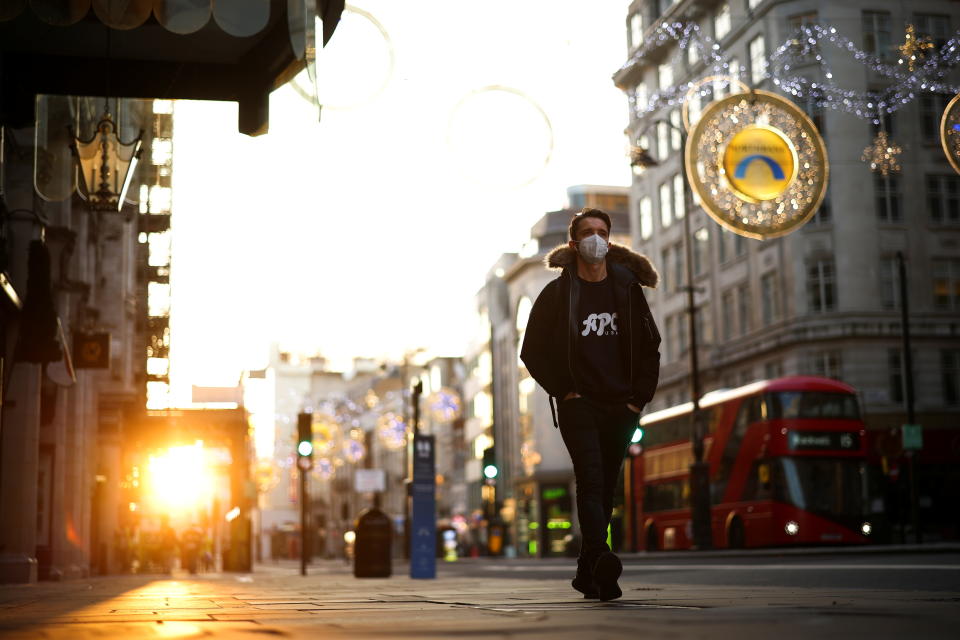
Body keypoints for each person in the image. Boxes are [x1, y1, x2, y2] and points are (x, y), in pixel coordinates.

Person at [520, 207, 660, 601]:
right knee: (592, 479)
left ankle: (589, 573)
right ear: (574, 243)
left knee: (607, 488)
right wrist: (565, 389)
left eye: (602, 231)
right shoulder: (558, 293)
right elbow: (531, 351)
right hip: (579, 403)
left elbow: (652, 347)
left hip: (622, 405)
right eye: (587, 232)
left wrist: (638, 399)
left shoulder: (627, 288)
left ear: (610, 240)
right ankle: (601, 557)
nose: (596, 238)